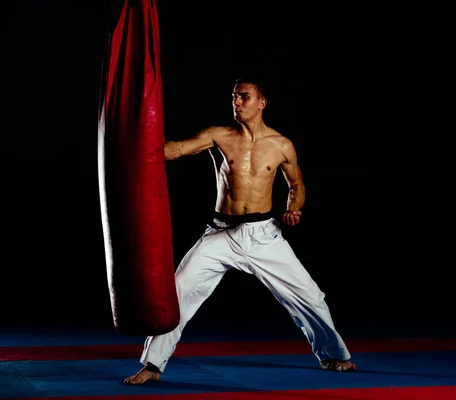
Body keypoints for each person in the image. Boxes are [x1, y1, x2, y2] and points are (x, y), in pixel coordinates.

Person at [124, 75, 356, 385]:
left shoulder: (281, 144)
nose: (236, 102)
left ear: (262, 103)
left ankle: (334, 355)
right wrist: (136, 138)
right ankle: (152, 365)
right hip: (220, 234)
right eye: (234, 97)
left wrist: (294, 208)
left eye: (243, 97)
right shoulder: (219, 135)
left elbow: (296, 185)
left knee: (310, 297)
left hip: (263, 235)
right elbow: (175, 150)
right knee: (177, 293)